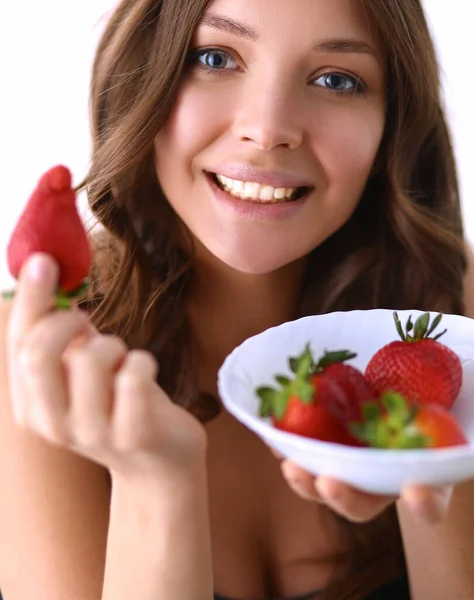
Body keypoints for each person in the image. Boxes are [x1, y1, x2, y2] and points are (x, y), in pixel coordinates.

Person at [1, 0, 474, 598]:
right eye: (215, 57)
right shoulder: (37, 358)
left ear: (391, 126)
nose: (269, 127)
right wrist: (156, 482)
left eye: (336, 79)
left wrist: (437, 470)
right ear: (148, 70)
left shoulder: (450, 319)